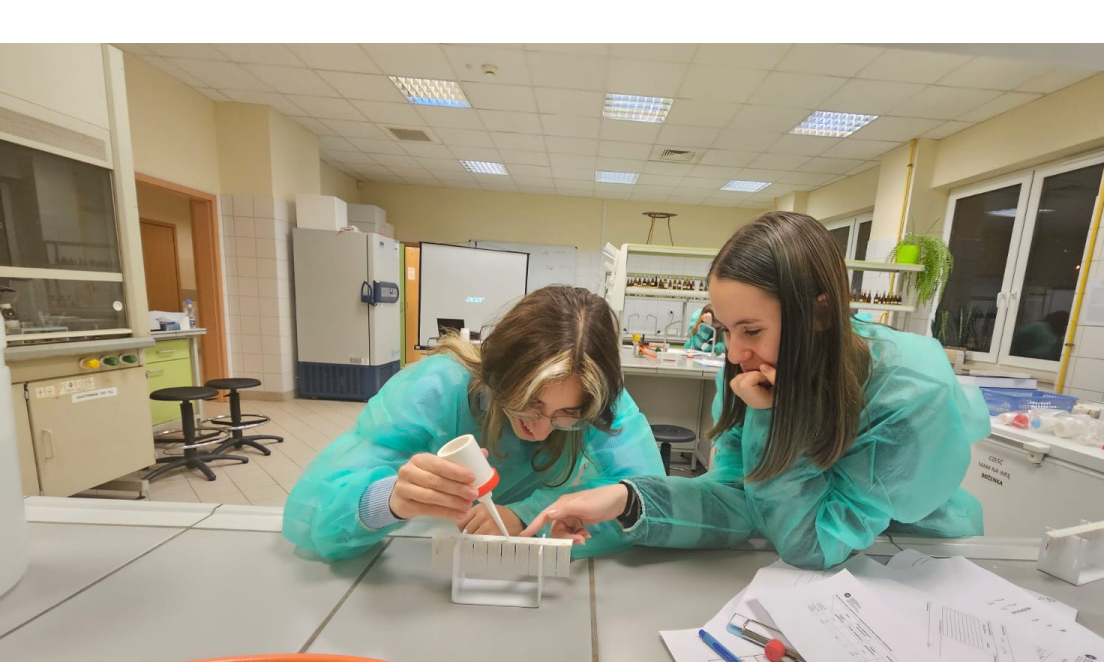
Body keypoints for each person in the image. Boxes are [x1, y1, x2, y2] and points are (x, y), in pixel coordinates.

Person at [521, 212, 993, 570]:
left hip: (912, 559)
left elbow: (815, 545)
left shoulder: (910, 394)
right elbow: (739, 500)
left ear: (819, 314)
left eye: (751, 330)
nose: (734, 353)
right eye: (726, 329)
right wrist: (628, 500)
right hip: (805, 557)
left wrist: (771, 420)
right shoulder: (754, 374)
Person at [282, 285, 665, 561]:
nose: (540, 430)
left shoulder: (599, 400)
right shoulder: (437, 387)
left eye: (566, 416)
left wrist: (528, 514)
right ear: (497, 373)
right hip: (438, 559)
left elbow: (650, 500)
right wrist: (390, 500)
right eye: (528, 404)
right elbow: (312, 515)